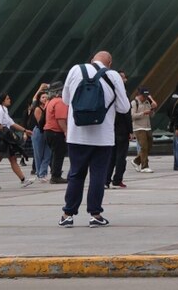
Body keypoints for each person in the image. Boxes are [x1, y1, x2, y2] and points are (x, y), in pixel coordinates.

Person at [58, 51, 129, 227]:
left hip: (76, 135)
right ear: (109, 63)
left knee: (76, 174)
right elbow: (124, 107)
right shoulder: (113, 75)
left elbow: (66, 99)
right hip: (103, 137)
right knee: (98, 175)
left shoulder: (76, 69)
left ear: (91, 60)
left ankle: (67, 215)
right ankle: (95, 215)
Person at [0, 92, 35, 189]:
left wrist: (25, 130)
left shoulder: (4, 110)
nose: (9, 100)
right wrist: (7, 132)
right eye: (7, 99)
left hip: (5, 139)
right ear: (3, 101)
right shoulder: (0, 110)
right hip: (2, 139)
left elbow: (12, 123)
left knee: (8, 159)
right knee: (0, 160)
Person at [44, 86, 69, 185]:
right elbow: (60, 119)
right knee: (59, 154)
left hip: (49, 131)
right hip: (56, 132)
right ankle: (56, 176)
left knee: (55, 154)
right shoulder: (60, 102)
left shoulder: (51, 102)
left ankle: (54, 174)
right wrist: (66, 131)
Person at [130, 88, 157, 173]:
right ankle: (144, 166)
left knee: (149, 145)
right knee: (144, 146)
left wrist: (152, 109)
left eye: (146, 96)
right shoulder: (134, 102)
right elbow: (132, 116)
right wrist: (143, 113)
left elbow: (152, 115)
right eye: (143, 96)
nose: (145, 98)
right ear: (139, 95)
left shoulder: (147, 102)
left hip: (147, 126)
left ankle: (136, 161)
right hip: (139, 127)